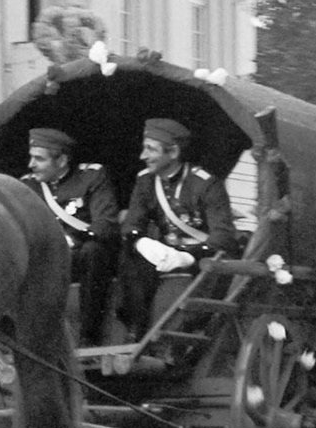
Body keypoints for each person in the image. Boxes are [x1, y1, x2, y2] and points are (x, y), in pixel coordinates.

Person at [119, 117, 239, 336]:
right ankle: (135, 332)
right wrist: (141, 242)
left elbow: (222, 238)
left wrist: (188, 257)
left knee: (213, 268)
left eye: (150, 149)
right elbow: (131, 225)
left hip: (201, 257)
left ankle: (185, 337)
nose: (142, 156)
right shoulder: (145, 181)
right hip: (165, 255)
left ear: (173, 152)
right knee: (131, 260)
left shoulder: (206, 184)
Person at [20, 125, 119, 345]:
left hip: (80, 258)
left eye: (39, 159)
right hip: (45, 260)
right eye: (31, 158)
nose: (31, 165)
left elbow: (105, 224)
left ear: (62, 161)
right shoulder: (27, 185)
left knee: (95, 252)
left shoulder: (92, 176)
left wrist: (72, 240)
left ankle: (88, 336)